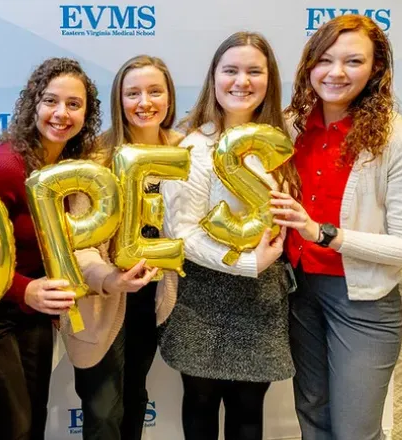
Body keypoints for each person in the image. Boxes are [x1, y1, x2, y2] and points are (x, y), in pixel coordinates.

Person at [270, 15, 402, 440]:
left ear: (376, 68)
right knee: (312, 412)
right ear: (309, 65)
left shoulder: (400, 138)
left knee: (355, 430)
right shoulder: (292, 126)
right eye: (324, 60)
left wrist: (324, 234)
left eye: (353, 61)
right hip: (299, 291)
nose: (336, 72)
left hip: (363, 301)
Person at [158, 32, 299, 440]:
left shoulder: (282, 142)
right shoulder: (193, 146)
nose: (242, 81)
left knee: (249, 409)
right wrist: (247, 262)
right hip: (203, 294)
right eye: (231, 70)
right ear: (214, 77)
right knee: (200, 404)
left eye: (255, 71)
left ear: (269, 79)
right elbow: (182, 232)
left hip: (262, 296)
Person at [0, 57, 102, 440]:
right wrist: (24, 289)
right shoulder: (4, 167)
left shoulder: (73, 165)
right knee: (12, 428)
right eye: (51, 101)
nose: (61, 113)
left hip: (32, 314)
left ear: (86, 113)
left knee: (32, 424)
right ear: (33, 104)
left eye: (74, 104)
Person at [61, 54, 181, 440]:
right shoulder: (96, 157)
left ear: (169, 97)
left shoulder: (186, 151)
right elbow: (79, 244)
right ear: (119, 99)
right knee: (102, 408)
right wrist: (111, 278)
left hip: (153, 297)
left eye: (154, 91)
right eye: (133, 93)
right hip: (101, 299)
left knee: (134, 396)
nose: (144, 102)